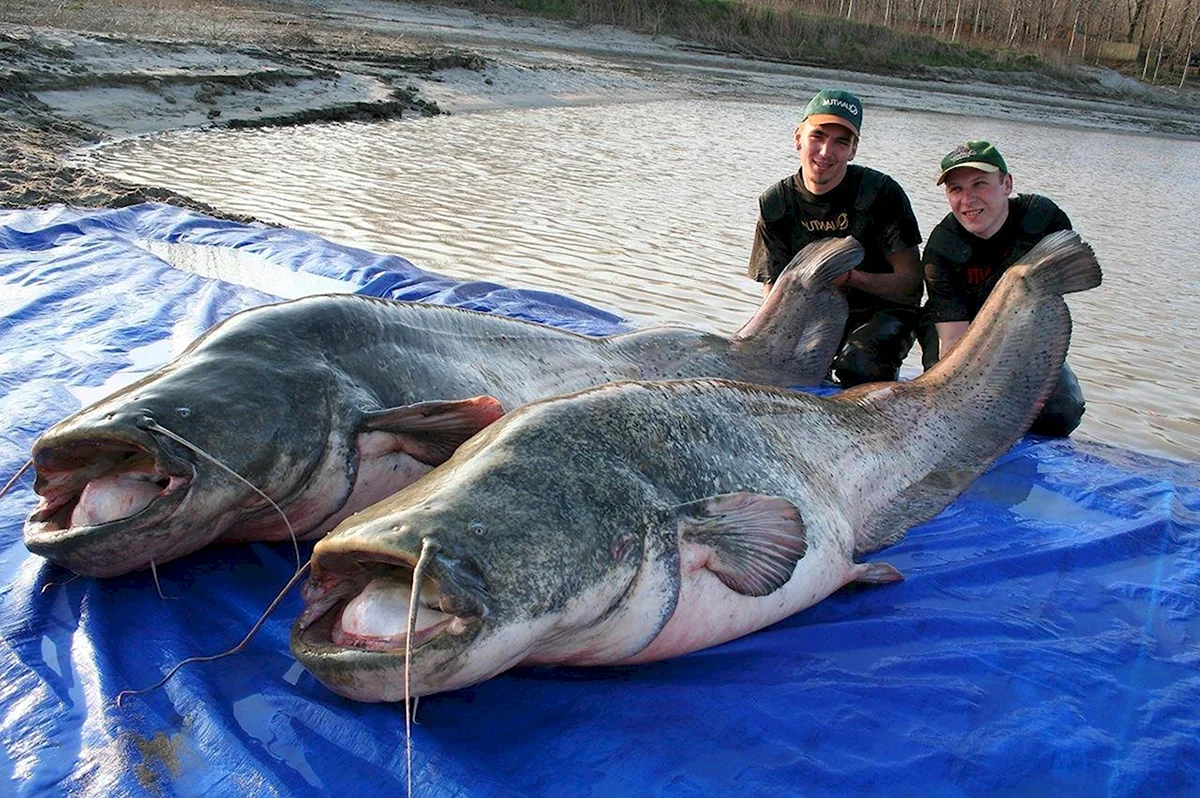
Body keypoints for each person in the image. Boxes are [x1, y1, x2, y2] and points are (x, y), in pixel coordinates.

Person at [746, 89, 924, 387]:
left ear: (853, 150)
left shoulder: (882, 193)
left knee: (859, 367)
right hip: (810, 312)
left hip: (879, 310)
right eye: (818, 136)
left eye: (841, 142)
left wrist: (854, 278)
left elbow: (911, 287)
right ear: (798, 138)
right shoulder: (776, 203)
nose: (826, 152)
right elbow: (772, 291)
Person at [922, 139, 1085, 436]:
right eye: (955, 189)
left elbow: (1070, 286)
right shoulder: (942, 248)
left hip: (1026, 335)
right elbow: (952, 338)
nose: (968, 199)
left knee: (1061, 413)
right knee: (955, 406)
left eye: (979, 184)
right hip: (963, 333)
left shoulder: (1043, 220)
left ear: (1007, 184)